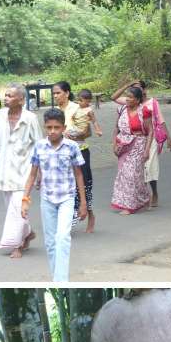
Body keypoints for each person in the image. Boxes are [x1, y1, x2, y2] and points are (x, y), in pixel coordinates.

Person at [20, 109, 87, 282]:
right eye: (49, 127)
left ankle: (61, 280)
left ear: (63, 127)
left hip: (67, 197)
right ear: (44, 127)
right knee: (50, 243)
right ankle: (57, 277)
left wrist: (83, 203)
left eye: (56, 127)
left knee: (63, 237)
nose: (52, 131)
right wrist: (25, 200)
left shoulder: (72, 147)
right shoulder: (40, 146)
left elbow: (79, 174)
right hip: (47, 198)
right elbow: (32, 175)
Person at [0, 84, 41, 258]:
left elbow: (39, 147)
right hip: (5, 172)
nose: (6, 98)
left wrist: (40, 174)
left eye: (10, 96)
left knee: (17, 208)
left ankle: (16, 245)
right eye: (6, 95)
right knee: (13, 208)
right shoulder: (1, 115)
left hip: (25, 173)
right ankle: (28, 233)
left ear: (21, 100)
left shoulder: (30, 118)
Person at [63, 88, 103, 233]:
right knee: (68, 186)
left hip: (81, 148)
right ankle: (67, 221)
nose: (56, 96)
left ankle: (90, 214)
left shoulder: (86, 111)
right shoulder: (68, 111)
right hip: (67, 148)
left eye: (58, 93)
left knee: (84, 184)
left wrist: (96, 130)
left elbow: (91, 128)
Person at [110, 85, 153, 215]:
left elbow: (151, 131)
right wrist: (113, 144)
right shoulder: (122, 109)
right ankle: (144, 198)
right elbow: (116, 128)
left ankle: (129, 206)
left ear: (138, 99)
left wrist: (147, 150)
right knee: (125, 174)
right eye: (127, 97)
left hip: (138, 144)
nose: (127, 99)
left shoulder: (144, 111)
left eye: (130, 97)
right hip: (123, 145)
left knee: (132, 174)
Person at [135, 80, 165, 207]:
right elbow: (114, 97)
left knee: (150, 166)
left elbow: (160, 120)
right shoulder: (132, 103)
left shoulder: (152, 103)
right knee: (139, 168)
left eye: (138, 88)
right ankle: (143, 196)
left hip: (151, 139)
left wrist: (169, 138)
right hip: (136, 140)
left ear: (144, 90)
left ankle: (154, 192)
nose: (135, 91)